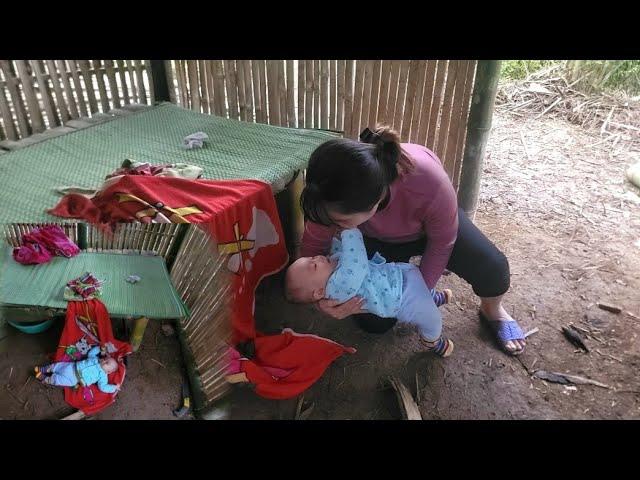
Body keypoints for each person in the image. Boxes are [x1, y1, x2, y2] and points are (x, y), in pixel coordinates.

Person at [298, 125, 527, 355]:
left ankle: (492, 310)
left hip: (429, 233)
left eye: (339, 221)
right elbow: (312, 247)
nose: (332, 226)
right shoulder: (334, 191)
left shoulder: (428, 182)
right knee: (374, 323)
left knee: (492, 268)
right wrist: (320, 295)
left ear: (372, 204)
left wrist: (420, 293)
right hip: (377, 241)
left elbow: (441, 244)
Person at [286, 228, 454, 356]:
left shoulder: (331, 267)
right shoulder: (338, 286)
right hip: (402, 299)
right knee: (432, 318)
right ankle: (432, 340)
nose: (316, 258)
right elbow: (356, 261)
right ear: (319, 292)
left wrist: (335, 241)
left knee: (421, 281)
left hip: (395, 277)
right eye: (313, 265)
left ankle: (432, 298)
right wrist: (349, 229)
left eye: (310, 258)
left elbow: (338, 249)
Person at [35, 345, 120, 393]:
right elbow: (91, 353)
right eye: (105, 359)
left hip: (74, 380)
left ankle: (45, 379)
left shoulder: (103, 376)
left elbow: (103, 387)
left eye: (107, 363)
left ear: (108, 371)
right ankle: (43, 369)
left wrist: (114, 388)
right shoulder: (95, 359)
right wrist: (99, 348)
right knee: (57, 366)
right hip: (72, 367)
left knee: (57, 380)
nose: (104, 360)